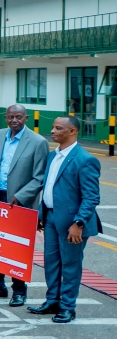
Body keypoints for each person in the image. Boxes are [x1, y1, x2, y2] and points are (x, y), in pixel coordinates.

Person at [0, 104, 48, 306]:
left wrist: (21, 196)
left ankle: (19, 291)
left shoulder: (38, 142)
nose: (14, 120)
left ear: (26, 118)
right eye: (11, 117)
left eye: (19, 117)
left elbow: (39, 177)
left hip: (20, 202)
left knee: (17, 247)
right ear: (5, 118)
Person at [27, 116, 101, 323]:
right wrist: (41, 214)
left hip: (71, 224)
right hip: (51, 218)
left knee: (70, 265)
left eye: (59, 128)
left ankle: (68, 307)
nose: (53, 131)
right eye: (53, 127)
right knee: (51, 262)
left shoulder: (85, 160)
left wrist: (79, 223)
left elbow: (91, 197)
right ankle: (52, 301)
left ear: (73, 131)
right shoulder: (53, 156)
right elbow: (48, 188)